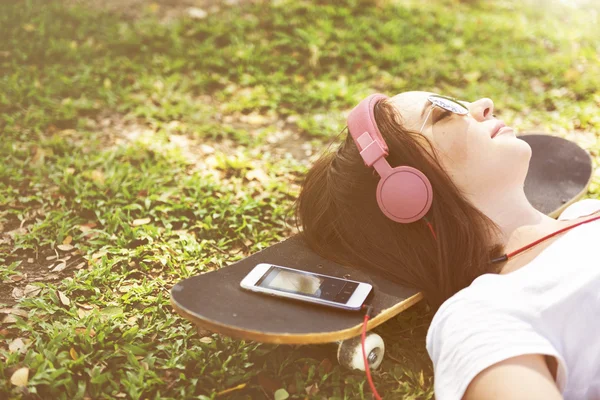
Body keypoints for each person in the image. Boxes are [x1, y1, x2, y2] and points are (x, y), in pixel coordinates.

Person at [293, 91, 600, 400]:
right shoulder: (482, 316)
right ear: (407, 191)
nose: (484, 104)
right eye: (443, 113)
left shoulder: (585, 213)